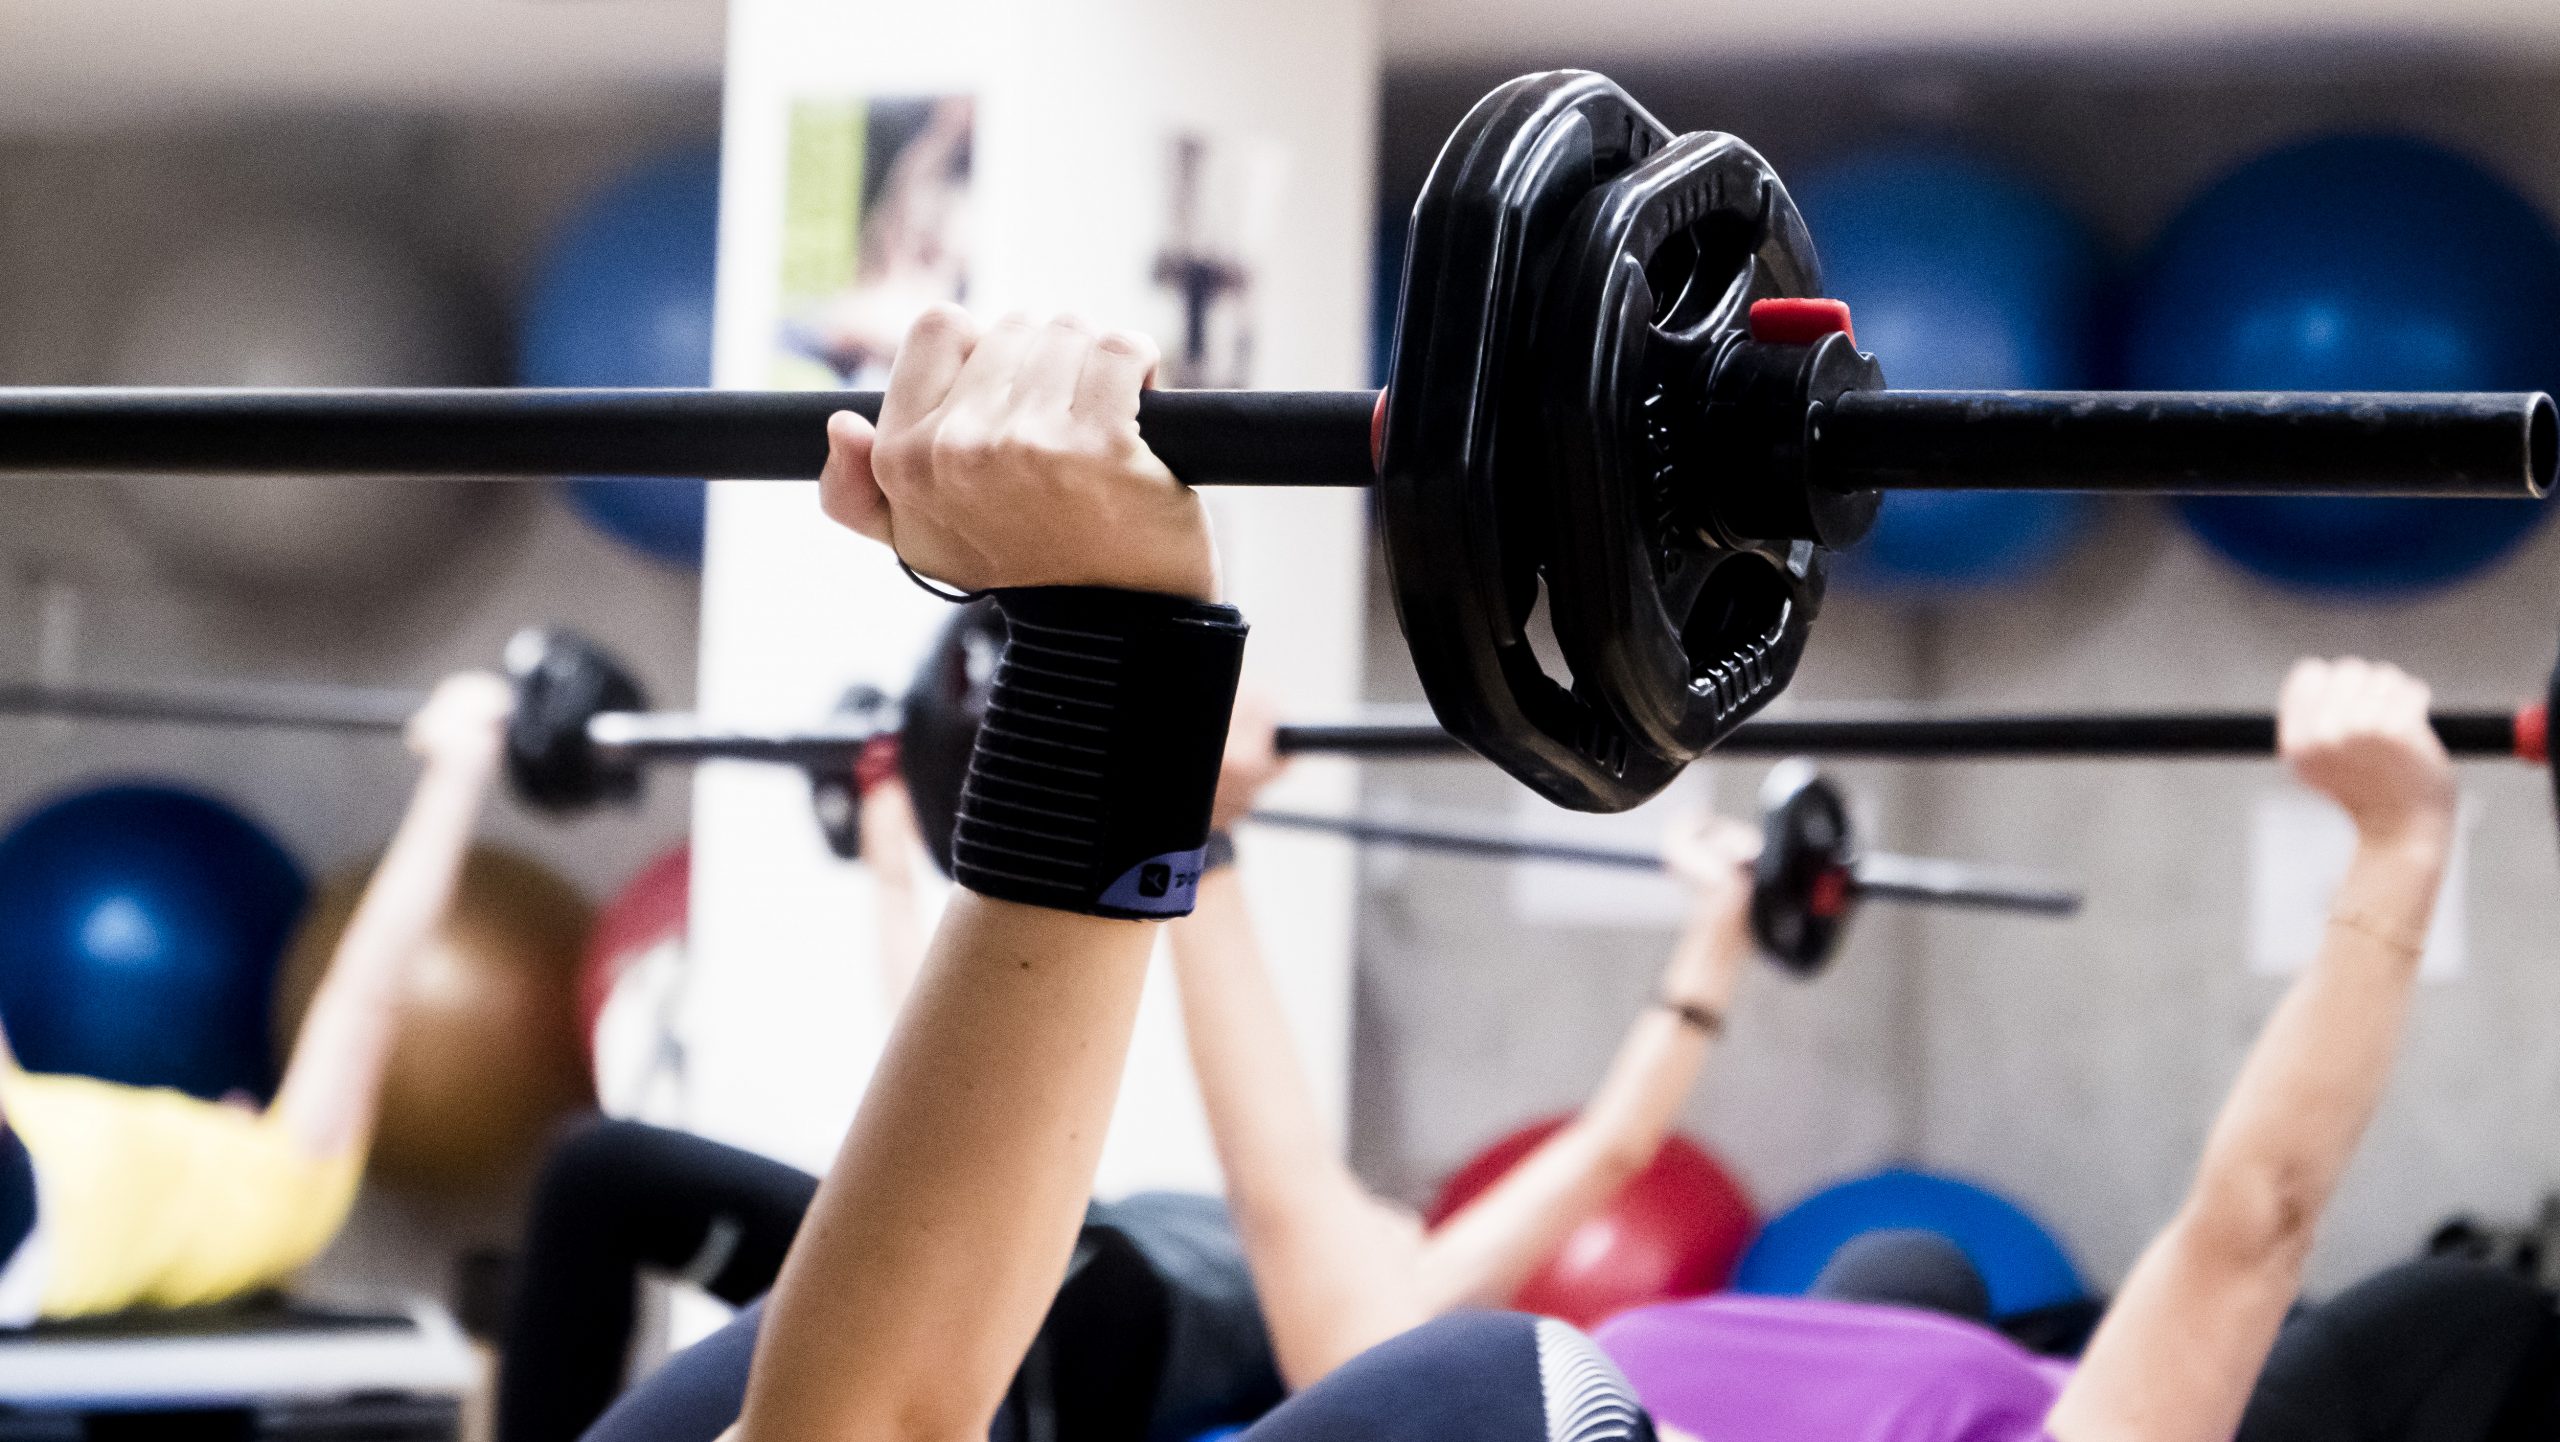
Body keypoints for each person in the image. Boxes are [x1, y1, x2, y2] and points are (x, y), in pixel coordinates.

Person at [1184, 645, 2531, 1441]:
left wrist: (1195, 832)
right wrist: (2399, 843)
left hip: (1864, 1370)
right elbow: (2253, 1220)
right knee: (2464, 1319)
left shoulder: (1443, 1393)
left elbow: (1304, 1202)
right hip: (2007, 1404)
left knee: (1910, 1265)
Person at [1170, 688, 1760, 1386]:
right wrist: (1721, 924)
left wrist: (1198, 821)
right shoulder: (1394, 1309)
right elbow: (1614, 1147)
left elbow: (1273, 1176)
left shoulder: (1357, 1342)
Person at [0, 672, 513, 1322]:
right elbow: (369, 986)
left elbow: (369, 986)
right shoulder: (278, 1194)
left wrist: (457, 772)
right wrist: (459, 771)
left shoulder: (280, 1196)